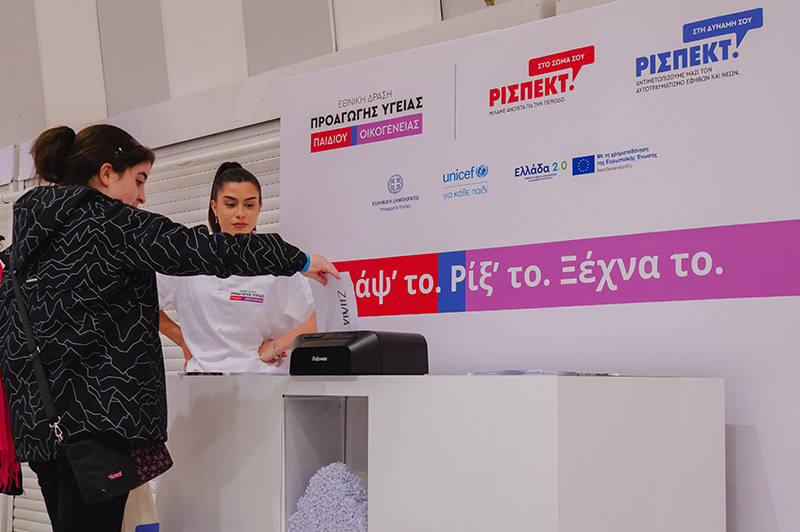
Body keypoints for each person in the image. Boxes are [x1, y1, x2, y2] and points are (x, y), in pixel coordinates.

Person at [0, 124, 339, 532]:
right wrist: (298, 259)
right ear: (107, 173)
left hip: (41, 425)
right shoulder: (113, 225)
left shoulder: (28, 241)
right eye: (139, 179)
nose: (142, 196)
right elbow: (206, 250)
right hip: (98, 423)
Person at [157, 162, 316, 373]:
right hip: (203, 382)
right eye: (231, 204)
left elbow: (322, 317)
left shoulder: (278, 260)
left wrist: (279, 345)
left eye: (249, 205)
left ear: (260, 207)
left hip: (266, 383)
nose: (240, 213)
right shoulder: (189, 258)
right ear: (214, 207)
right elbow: (142, 301)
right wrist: (181, 339)